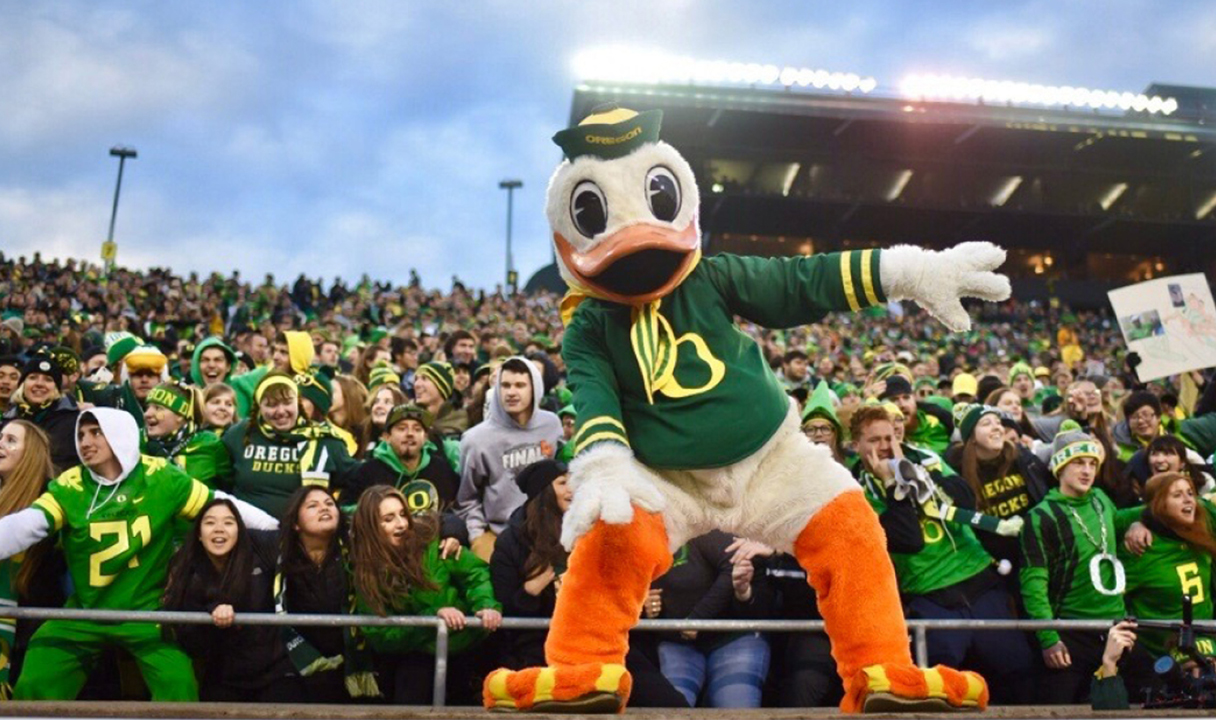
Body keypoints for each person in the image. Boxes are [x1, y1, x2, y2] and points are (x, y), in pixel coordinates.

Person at [0, 408, 277, 700]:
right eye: (81, 434)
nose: (85, 442)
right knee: (35, 679)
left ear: (121, 435)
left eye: (96, 433)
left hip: (149, 612)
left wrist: (277, 530)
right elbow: (28, 524)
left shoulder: (161, 477)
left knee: (178, 685)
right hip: (84, 611)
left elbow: (221, 505)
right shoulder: (71, 484)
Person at [851, 405, 1032, 704]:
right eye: (874, 440)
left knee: (1018, 668)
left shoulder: (927, 461)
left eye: (889, 437)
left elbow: (965, 500)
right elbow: (909, 540)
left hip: (979, 579)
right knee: (940, 679)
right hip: (931, 594)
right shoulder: (860, 493)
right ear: (856, 445)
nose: (884, 446)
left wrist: (914, 472)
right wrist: (892, 483)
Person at [1020, 430, 1154, 704]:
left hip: (1117, 626)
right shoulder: (1040, 517)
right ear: (1060, 467)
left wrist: (1141, 521)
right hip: (1071, 630)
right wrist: (1048, 638)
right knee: (1055, 707)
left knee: (1156, 694)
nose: (1087, 470)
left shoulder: (1099, 499)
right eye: (1078, 463)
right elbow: (1033, 583)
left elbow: (1115, 522)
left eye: (1092, 463)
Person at [352, 486, 502, 704]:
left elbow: (475, 574)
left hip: (470, 645)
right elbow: (379, 634)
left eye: (403, 514)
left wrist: (485, 605)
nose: (401, 524)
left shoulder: (435, 543)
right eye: (388, 519)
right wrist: (432, 618)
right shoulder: (367, 572)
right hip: (419, 653)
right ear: (370, 527)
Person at [161, 498, 300, 701]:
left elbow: (295, 541)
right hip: (223, 677)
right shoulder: (188, 573)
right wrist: (212, 615)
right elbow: (190, 642)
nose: (219, 529)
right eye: (210, 523)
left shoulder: (261, 552)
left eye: (228, 522)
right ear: (199, 534)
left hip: (276, 672)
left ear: (239, 531)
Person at [275, 486, 376, 703]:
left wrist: (453, 531)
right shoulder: (276, 553)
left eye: (330, 503)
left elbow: (422, 521)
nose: (324, 508)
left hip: (351, 661)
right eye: (313, 505)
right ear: (295, 523)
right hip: (295, 664)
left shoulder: (357, 548)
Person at [456, 357, 561, 562]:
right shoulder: (475, 439)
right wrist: (478, 537)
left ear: (535, 389)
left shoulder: (552, 425)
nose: (511, 392)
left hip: (546, 535)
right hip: (497, 536)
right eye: (505, 385)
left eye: (520, 385)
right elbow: (466, 498)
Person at [650, 531, 770, 708]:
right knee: (672, 709)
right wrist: (646, 605)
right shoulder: (644, 541)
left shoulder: (701, 528)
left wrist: (698, 618)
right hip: (678, 644)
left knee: (736, 709)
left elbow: (733, 566)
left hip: (731, 639)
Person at [220, 372, 358, 519]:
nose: (280, 411)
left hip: (302, 536)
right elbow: (219, 479)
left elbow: (358, 479)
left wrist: (341, 514)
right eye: (271, 404)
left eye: (287, 403)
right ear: (259, 406)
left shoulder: (323, 439)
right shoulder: (240, 433)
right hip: (246, 533)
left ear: (297, 402)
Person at [1120, 471, 1216, 658]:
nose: (1189, 500)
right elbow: (1113, 519)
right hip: (1159, 656)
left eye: (1190, 493)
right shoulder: (1138, 548)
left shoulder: (1202, 525)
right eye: (1177, 495)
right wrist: (1137, 523)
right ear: (1158, 505)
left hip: (1207, 643)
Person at [945, 404, 1051, 569]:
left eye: (998, 423)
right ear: (971, 436)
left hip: (1037, 546)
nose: (996, 428)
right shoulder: (957, 471)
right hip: (996, 561)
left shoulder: (1022, 457)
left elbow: (1047, 491)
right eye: (986, 424)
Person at [347, 403, 467, 544]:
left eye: (417, 429)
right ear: (386, 437)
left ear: (425, 438)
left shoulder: (441, 469)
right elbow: (347, 509)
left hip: (435, 546)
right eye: (401, 428)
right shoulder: (367, 471)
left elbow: (458, 509)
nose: (410, 433)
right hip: (386, 549)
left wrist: (452, 534)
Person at [0, 420, 59, 697]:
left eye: (11, 440)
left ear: (31, 453)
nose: (1, 444)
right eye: (0, 437)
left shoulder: (50, 499)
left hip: (29, 624)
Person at [142, 381, 230, 488]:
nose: (147, 414)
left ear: (180, 415)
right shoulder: (137, 440)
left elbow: (229, 487)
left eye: (158, 408)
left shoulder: (209, 444)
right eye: (147, 407)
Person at [2, 354, 80, 471]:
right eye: (33, 377)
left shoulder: (72, 422)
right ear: (22, 385)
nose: (39, 384)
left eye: (48, 380)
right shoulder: (8, 421)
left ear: (56, 388)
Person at [800, 381, 852, 466]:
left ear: (835, 434)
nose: (818, 434)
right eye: (810, 430)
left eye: (825, 429)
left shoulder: (851, 467)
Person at [412, 361, 468, 439]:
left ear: (442, 387)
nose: (416, 384)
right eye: (416, 379)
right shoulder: (408, 415)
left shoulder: (461, 420)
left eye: (424, 379)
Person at [1113, 392, 1163, 464]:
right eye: (1134, 417)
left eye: (1146, 415)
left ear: (1158, 417)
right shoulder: (1118, 451)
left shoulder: (1178, 436)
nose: (1140, 421)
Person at [364, 382, 408, 452]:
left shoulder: (406, 445)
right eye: (376, 402)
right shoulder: (361, 438)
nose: (379, 406)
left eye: (387, 402)